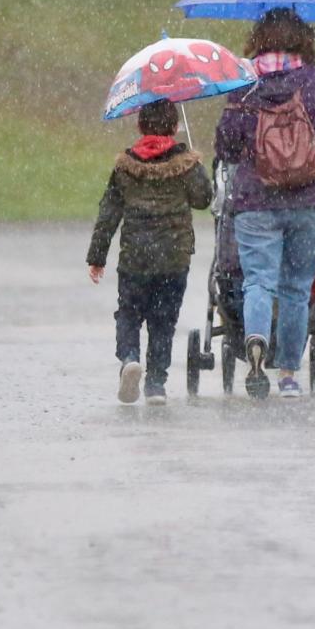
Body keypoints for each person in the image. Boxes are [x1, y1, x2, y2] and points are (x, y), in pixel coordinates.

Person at [214, 8, 315, 398]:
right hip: (308, 199)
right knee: (296, 288)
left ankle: (255, 340)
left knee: (257, 280)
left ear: (259, 39)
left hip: (255, 200)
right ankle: (287, 373)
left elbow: (225, 145)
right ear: (304, 39)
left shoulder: (245, 83)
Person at [86, 98, 213, 403]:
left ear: (141, 126)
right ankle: (156, 383)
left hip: (135, 257)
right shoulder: (186, 164)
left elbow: (109, 213)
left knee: (129, 313)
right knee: (163, 321)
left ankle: (130, 358)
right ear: (173, 126)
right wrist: (196, 165)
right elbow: (203, 199)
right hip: (173, 256)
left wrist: (97, 256)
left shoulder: (125, 166)